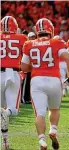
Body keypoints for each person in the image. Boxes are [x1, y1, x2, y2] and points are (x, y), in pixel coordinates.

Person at [21, 18, 69, 150]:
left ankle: (42, 140)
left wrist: (37, 67)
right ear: (50, 30)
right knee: (54, 109)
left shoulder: (29, 44)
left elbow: (23, 67)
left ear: (37, 31)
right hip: (54, 80)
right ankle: (53, 130)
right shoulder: (56, 42)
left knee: (40, 113)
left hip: (37, 81)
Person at [0, 16, 27, 149]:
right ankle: (5, 141)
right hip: (13, 73)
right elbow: (27, 60)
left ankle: (5, 142)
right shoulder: (21, 38)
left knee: (1, 112)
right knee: (12, 110)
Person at [21, 32, 37, 104]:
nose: (33, 38)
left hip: (33, 66)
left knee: (30, 83)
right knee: (26, 83)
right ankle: (24, 98)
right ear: (28, 37)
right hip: (26, 66)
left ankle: (28, 98)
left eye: (34, 37)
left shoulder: (35, 45)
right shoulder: (26, 45)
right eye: (31, 37)